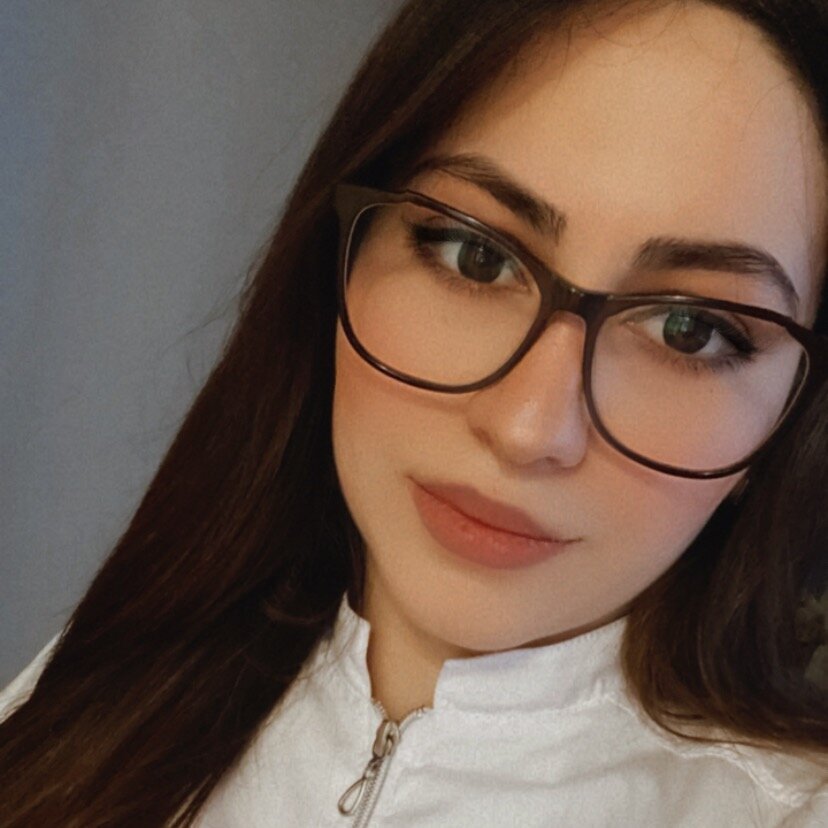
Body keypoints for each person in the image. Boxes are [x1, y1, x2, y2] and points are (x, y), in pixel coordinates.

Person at [1, 0, 826, 824]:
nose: (530, 429)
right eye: (477, 256)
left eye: (689, 331)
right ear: (340, 259)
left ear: (789, 420)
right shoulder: (94, 696)